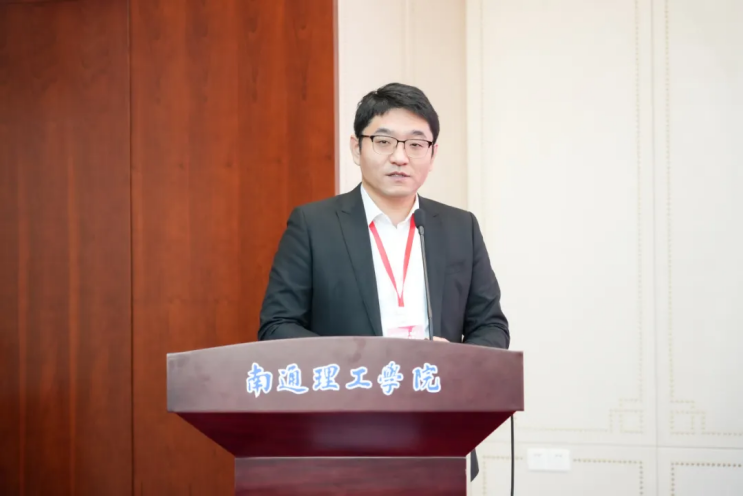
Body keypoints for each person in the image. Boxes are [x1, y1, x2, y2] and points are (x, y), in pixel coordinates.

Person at [258, 82, 510, 481]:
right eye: (384, 141)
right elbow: (276, 326)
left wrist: (458, 361)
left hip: (438, 432)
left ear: (432, 154)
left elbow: (491, 327)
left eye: (416, 144)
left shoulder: (459, 227)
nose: (400, 157)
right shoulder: (313, 225)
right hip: (339, 435)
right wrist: (355, 363)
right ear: (356, 148)